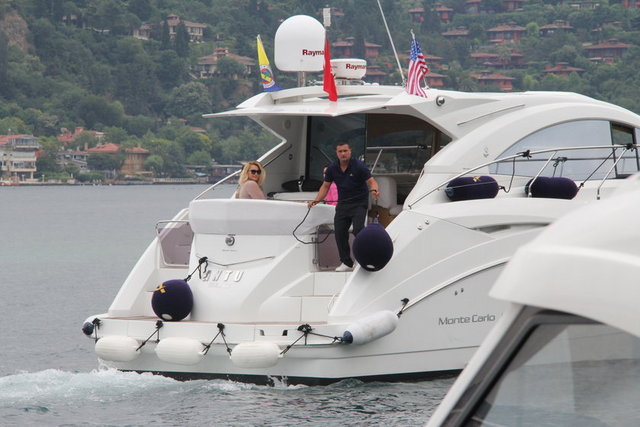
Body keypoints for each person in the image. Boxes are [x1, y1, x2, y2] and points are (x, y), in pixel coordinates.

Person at [308, 143, 379, 272]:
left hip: (359, 203)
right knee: (339, 232)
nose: (343, 153)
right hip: (343, 204)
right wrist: (316, 200)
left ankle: (363, 258)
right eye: (340, 151)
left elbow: (371, 181)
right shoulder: (332, 168)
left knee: (358, 230)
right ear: (337, 153)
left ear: (350, 151)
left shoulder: (359, 166)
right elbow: (325, 186)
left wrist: (374, 190)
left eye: (345, 151)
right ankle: (346, 262)